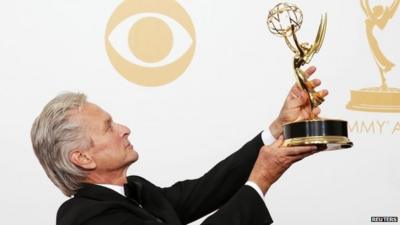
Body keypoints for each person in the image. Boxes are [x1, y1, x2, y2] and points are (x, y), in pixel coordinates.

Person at [31, 66, 327, 225]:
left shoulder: (137, 190)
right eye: (109, 127)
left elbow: (208, 188)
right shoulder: (87, 218)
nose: (124, 129)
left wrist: (277, 129)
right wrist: (261, 179)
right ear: (82, 157)